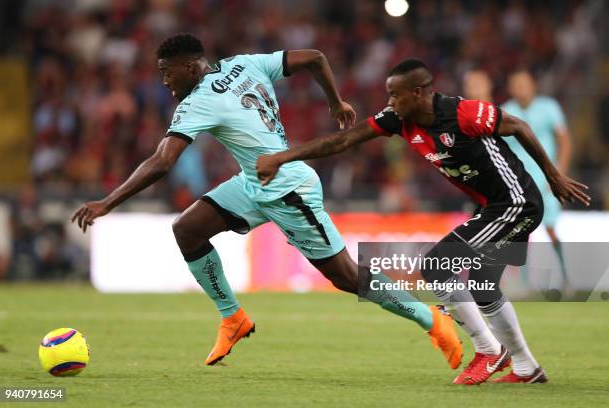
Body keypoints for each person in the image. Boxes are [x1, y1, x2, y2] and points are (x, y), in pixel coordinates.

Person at [71, 34, 462, 369]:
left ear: (190, 67)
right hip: (255, 181)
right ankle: (233, 318)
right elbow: (315, 58)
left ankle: (429, 318)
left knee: (344, 276)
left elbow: (162, 161)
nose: (164, 81)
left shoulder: (197, 102)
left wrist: (109, 202)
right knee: (187, 229)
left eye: (167, 72)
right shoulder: (244, 64)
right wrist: (335, 101)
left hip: (288, 188)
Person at [257, 59, 590, 384]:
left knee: (436, 266)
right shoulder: (398, 119)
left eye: (395, 94)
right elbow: (343, 140)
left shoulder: (462, 112)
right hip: (493, 206)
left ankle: (489, 351)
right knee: (483, 286)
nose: (389, 102)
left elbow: (519, 126)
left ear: (418, 93)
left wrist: (553, 175)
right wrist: (283, 158)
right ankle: (527, 367)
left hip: (516, 203)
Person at [502, 70, 573, 294]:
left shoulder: (549, 107)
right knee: (521, 232)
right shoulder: (506, 111)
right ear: (511, 89)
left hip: (546, 181)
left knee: (551, 229)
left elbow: (564, 140)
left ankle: (565, 278)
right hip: (519, 182)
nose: (521, 88)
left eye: (524, 83)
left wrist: (559, 172)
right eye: (516, 85)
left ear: (533, 85)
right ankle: (524, 284)